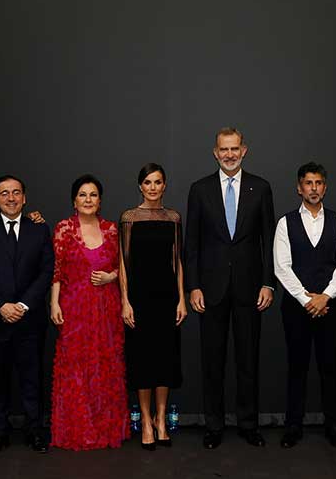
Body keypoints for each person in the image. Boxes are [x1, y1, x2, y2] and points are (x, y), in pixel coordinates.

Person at [185, 127, 276, 449]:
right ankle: (214, 426)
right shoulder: (200, 190)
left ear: (244, 150)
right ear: (215, 152)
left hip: (250, 290)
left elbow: (269, 240)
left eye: (234, 148)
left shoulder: (261, 188)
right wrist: (193, 286)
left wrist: (268, 282)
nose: (229, 154)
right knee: (212, 361)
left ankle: (248, 425)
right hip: (210, 291)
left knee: (248, 360)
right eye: (224, 149)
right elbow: (191, 245)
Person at [0, 175, 54, 456]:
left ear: (25, 197)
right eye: (4, 193)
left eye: (16, 192)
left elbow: (46, 271)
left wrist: (23, 305)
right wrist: (1, 306)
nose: (11, 197)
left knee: (31, 379)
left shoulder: (39, 230)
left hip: (29, 320)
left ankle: (34, 430)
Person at [273, 162, 336, 449]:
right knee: (297, 367)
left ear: (325, 187)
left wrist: (325, 297)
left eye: (318, 183)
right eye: (308, 183)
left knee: (330, 367)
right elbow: (282, 268)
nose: (313, 188)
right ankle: (293, 426)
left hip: (330, 306)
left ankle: (334, 425)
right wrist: (308, 300)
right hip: (297, 308)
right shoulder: (285, 223)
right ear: (299, 188)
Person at [49, 174, 129, 450]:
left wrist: (111, 277)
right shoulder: (63, 228)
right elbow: (56, 269)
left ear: (100, 200)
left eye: (93, 195)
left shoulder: (111, 229)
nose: (88, 200)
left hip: (106, 308)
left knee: (105, 365)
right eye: (83, 194)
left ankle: (105, 429)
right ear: (74, 200)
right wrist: (54, 303)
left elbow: (124, 268)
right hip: (74, 308)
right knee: (76, 368)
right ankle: (77, 429)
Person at [119, 163, 187, 450]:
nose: (153, 187)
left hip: (167, 298)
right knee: (143, 361)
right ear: (140, 186)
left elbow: (178, 261)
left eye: (158, 182)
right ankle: (145, 421)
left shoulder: (173, 217)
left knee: (165, 360)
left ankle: (161, 420)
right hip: (139, 298)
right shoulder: (129, 217)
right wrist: (125, 301)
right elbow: (122, 262)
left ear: (164, 185)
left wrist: (182, 298)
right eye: (147, 182)